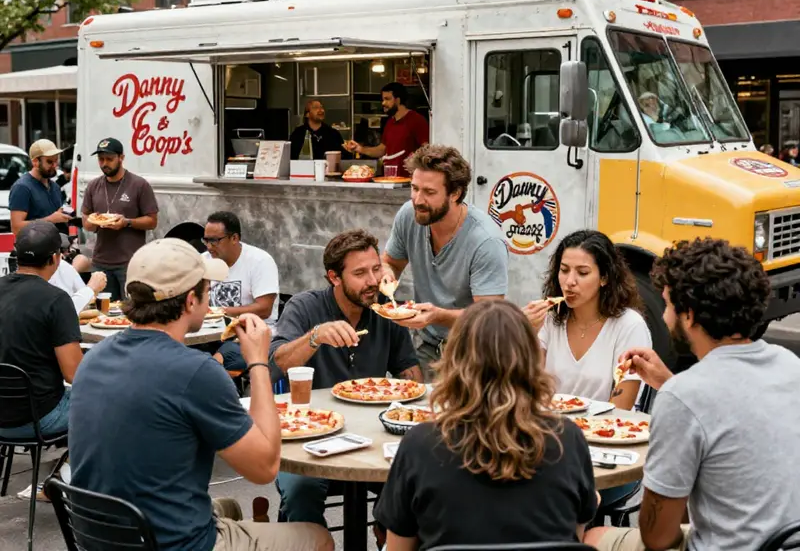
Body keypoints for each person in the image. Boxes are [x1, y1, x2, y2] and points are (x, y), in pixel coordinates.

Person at [68, 238, 332, 551]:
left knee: (228, 508)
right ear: (191, 300)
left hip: (96, 536)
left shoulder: (93, 358)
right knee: (318, 538)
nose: (212, 297)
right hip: (168, 543)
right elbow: (264, 468)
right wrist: (259, 363)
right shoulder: (196, 371)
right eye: (208, 289)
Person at [584, 238, 800, 551]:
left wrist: (675, 392)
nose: (664, 317)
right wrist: (667, 382)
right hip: (786, 543)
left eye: (669, 306)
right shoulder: (790, 364)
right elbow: (730, 407)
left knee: (592, 537)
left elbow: (658, 537)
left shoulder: (684, 396)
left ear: (690, 315)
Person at [375, 300, 598, 548]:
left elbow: (399, 547)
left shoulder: (420, 444)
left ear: (455, 360)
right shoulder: (567, 437)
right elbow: (574, 535)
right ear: (530, 358)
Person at [269, 229, 422, 528]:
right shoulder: (305, 306)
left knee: (416, 484)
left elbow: (410, 376)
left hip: (375, 436)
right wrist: (315, 337)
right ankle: (312, 543)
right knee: (301, 491)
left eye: (376, 269)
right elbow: (276, 364)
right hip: (310, 433)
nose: (373, 281)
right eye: (360, 273)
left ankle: (387, 535)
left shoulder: (386, 311)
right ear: (334, 277)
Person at [382, 144, 508, 378]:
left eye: (429, 192)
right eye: (414, 188)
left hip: (471, 352)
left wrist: (437, 315)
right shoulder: (409, 215)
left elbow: (490, 316)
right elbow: (390, 262)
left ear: (455, 193)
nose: (418, 200)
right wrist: (386, 274)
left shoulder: (486, 241)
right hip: (425, 344)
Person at [523, 229, 651, 410]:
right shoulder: (550, 319)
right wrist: (526, 332)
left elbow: (622, 406)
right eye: (564, 270)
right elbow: (530, 388)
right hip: (551, 426)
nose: (569, 282)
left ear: (604, 278)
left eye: (582, 273)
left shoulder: (629, 325)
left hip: (607, 431)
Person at [0, 222, 83, 440]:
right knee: (104, 400)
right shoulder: (56, 300)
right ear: (56, 258)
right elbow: (74, 374)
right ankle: (72, 468)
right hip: (37, 418)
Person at [81, 137, 159, 301]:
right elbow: (86, 221)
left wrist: (127, 222)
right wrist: (94, 223)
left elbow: (152, 221)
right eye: (101, 159)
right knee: (103, 312)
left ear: (121, 158)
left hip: (130, 262)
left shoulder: (139, 185)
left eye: (109, 159)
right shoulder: (93, 186)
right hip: (101, 262)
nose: (104, 163)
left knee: (131, 309)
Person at [202, 211, 280, 323]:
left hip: (252, 331)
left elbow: (264, 309)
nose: (209, 246)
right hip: (211, 330)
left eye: (214, 241)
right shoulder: (203, 260)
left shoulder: (260, 261)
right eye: (206, 240)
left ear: (234, 238)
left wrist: (220, 312)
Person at [344, 82, 429, 166]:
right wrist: (359, 148)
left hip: (410, 177)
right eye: (383, 99)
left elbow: (427, 150)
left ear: (398, 100)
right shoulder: (390, 122)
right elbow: (382, 150)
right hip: (389, 177)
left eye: (387, 99)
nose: (383, 103)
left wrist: (414, 160)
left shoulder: (417, 120)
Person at [9, 139, 70, 235]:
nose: (55, 165)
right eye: (49, 162)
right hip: (33, 248)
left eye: (56, 161)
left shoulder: (55, 187)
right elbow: (16, 228)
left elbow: (58, 214)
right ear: (35, 162)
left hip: (56, 246)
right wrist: (49, 220)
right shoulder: (22, 188)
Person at [49, 234, 108, 313]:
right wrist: (91, 288)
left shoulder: (64, 266)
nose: (65, 254)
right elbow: (61, 313)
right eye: (62, 251)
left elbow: (88, 300)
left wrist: (92, 291)